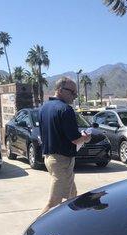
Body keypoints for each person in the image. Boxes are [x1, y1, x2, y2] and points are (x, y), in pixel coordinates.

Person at [40, 77, 91, 214]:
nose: (75, 96)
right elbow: (75, 139)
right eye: (73, 92)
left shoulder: (44, 108)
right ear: (60, 90)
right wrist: (85, 138)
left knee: (72, 195)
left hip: (50, 158)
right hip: (61, 161)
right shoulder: (66, 110)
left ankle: (70, 224)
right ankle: (35, 230)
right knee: (54, 203)